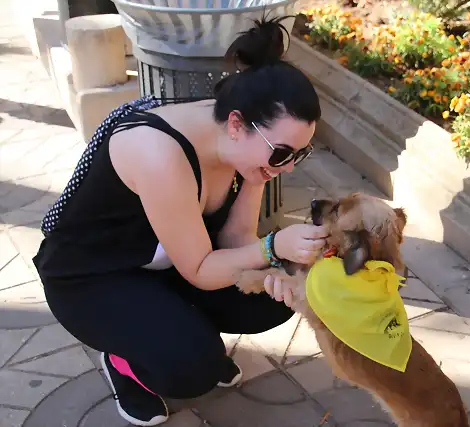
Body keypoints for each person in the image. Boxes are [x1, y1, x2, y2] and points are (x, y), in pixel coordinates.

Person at [32, 16, 327, 427]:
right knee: (194, 370)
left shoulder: (232, 137)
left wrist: (260, 185)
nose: (289, 167)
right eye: (281, 153)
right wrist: (273, 246)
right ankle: (127, 358)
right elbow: (204, 270)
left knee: (270, 299)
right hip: (92, 277)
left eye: (299, 155)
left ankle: (172, 330)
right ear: (239, 124)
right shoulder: (159, 153)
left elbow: (234, 240)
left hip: (164, 264)